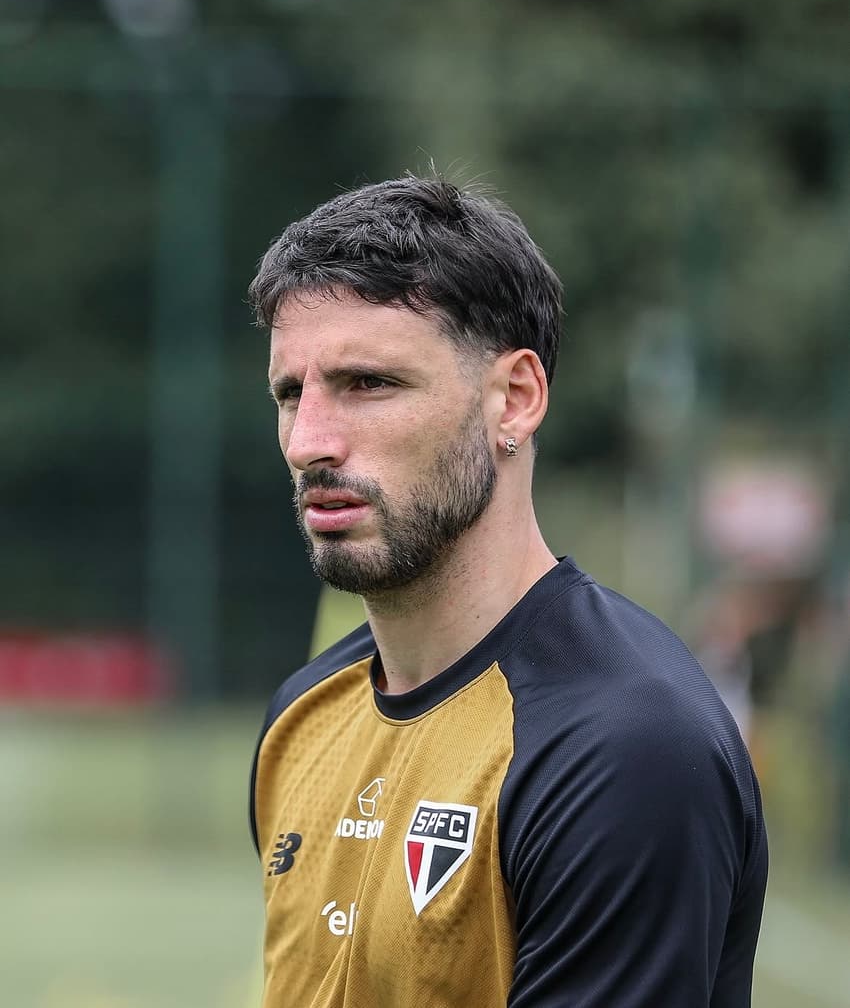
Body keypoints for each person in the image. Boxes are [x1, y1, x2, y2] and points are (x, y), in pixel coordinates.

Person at [247, 174, 768, 1007]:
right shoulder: (301, 717)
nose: (309, 440)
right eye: (289, 394)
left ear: (515, 400)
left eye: (369, 384)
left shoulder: (622, 748)